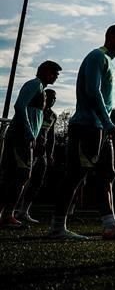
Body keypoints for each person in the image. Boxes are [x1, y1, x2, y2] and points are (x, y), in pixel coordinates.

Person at [49, 24, 115, 240]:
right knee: (75, 176)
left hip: (100, 127)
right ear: (112, 36)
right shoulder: (97, 56)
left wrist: (106, 124)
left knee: (107, 175)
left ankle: (110, 225)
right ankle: (56, 227)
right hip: (87, 126)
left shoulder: (108, 61)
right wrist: (107, 122)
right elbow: (93, 91)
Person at [0, 61, 61, 227]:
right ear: (46, 72)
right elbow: (19, 106)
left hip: (23, 137)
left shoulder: (40, 88)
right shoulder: (34, 84)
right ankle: (8, 215)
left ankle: (6, 215)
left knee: (14, 176)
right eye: (55, 73)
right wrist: (28, 132)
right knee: (21, 175)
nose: (56, 76)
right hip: (20, 137)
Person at [15, 88, 58, 224]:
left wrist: (50, 154)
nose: (52, 100)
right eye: (49, 97)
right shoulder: (33, 110)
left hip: (42, 153)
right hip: (29, 149)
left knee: (36, 182)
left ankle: (24, 211)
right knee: (21, 179)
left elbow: (51, 136)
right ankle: (11, 210)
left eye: (54, 98)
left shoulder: (52, 115)